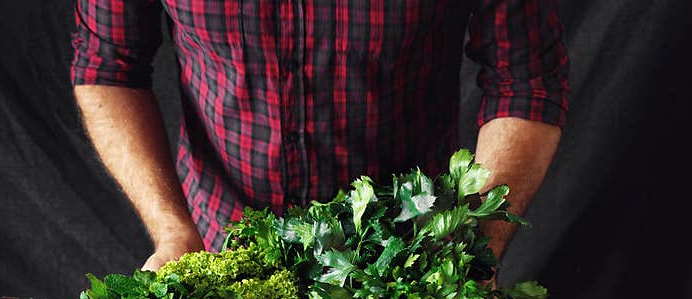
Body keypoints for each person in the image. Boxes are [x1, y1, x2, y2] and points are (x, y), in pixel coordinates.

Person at [71, 1, 569, 272]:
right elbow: (107, 63)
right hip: (219, 249)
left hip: (405, 268)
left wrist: (473, 248)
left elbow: (526, 79)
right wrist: (172, 229)